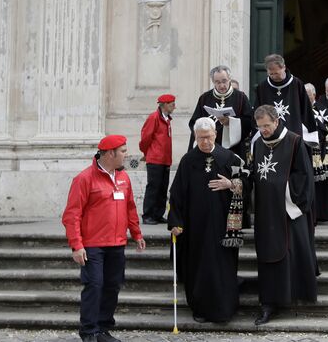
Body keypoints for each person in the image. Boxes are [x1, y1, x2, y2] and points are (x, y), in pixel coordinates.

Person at [62, 135, 146, 342]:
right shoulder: (84, 178)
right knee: (94, 286)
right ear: (110, 153)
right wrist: (76, 245)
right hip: (92, 245)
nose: (127, 155)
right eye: (124, 151)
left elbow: (130, 208)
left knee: (112, 286)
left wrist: (136, 233)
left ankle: (103, 329)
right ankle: (89, 331)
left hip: (117, 244)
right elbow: (72, 215)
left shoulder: (123, 178)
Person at [168, 117, 247, 323]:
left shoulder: (228, 157)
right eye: (201, 138)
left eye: (209, 137)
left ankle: (225, 308)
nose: (205, 142)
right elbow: (176, 194)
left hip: (223, 224)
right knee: (199, 266)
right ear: (195, 137)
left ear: (216, 135)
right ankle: (200, 308)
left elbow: (247, 182)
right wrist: (175, 221)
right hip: (196, 226)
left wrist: (231, 184)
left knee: (222, 266)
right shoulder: (188, 161)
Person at [251, 105, 318, 325]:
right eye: (260, 127)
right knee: (268, 255)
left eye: (267, 126)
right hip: (265, 211)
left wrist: (283, 190)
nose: (263, 130)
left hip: (288, 209)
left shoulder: (295, 142)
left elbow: (304, 175)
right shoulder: (258, 143)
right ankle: (268, 302)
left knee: (290, 253)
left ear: (277, 121)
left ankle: (293, 295)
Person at [188, 65, 253, 159]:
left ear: (229, 79)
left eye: (224, 81)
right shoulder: (204, 98)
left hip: (234, 148)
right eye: (217, 82)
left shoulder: (241, 97)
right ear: (213, 82)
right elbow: (194, 122)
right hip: (209, 147)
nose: (221, 85)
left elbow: (249, 121)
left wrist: (230, 122)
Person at [254, 54, 318, 146]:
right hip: (270, 136)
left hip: (293, 136)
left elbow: (306, 110)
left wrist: (311, 132)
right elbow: (258, 111)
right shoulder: (262, 87)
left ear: (284, 67)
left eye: (276, 73)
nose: (273, 76)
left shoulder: (297, 84)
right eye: (270, 74)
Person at [139, 94, 176, 225]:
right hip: (155, 159)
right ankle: (148, 215)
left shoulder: (167, 119)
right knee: (153, 188)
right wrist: (147, 153)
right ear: (164, 105)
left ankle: (158, 214)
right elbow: (145, 138)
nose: (174, 107)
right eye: (172, 104)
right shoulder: (154, 118)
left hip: (165, 159)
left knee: (162, 188)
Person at [306, 83, 328, 223]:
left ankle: (321, 213)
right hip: (305, 150)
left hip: (321, 151)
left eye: (308, 94)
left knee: (320, 183)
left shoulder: (322, 108)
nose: (306, 97)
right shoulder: (300, 108)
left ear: (314, 95)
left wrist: (317, 124)